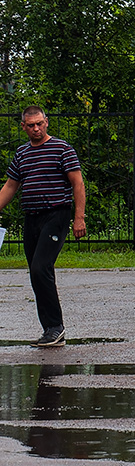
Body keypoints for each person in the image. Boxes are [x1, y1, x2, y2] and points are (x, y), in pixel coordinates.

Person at [0, 107, 86, 347]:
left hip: (56, 215)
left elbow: (77, 183)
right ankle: (50, 330)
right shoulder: (22, 153)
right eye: (31, 125)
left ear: (46, 122)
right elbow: (10, 187)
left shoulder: (62, 149)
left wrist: (79, 217)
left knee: (41, 268)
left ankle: (55, 327)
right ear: (23, 127)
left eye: (39, 124)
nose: (36, 129)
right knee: (36, 274)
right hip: (32, 218)